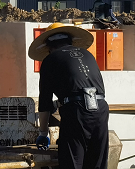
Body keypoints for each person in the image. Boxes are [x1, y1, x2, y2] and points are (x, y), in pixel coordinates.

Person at [30, 22, 109, 169]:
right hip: (100, 109)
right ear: (70, 41)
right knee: (97, 162)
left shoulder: (50, 60)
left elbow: (45, 102)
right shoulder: (87, 55)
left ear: (49, 47)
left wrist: (43, 132)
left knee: (72, 161)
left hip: (76, 111)